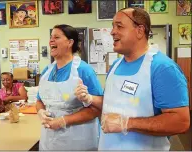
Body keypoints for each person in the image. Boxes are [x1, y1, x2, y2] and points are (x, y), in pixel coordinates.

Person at [75, 7, 190, 150]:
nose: (112, 32)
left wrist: (127, 123)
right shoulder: (116, 65)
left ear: (140, 31)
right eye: (113, 26)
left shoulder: (162, 68)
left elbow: (181, 121)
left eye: (119, 26)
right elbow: (114, 102)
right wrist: (90, 99)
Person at [36, 24, 103, 150]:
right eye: (51, 37)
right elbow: (39, 101)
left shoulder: (83, 70)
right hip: (50, 140)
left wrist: (63, 121)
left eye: (56, 37)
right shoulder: (46, 72)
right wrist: (40, 111)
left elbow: (97, 109)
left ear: (70, 42)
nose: (51, 40)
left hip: (78, 140)